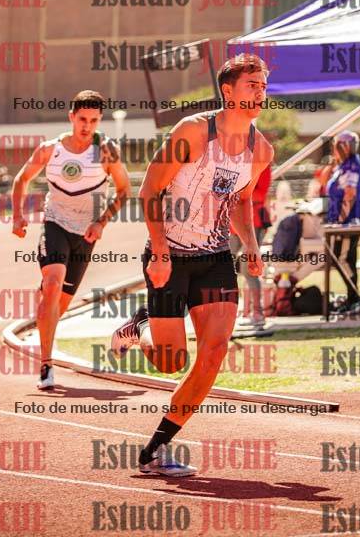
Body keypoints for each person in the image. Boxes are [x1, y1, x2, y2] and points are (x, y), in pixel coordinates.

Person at [108, 54, 273, 477]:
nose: (260, 92)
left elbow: (240, 200)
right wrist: (159, 250)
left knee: (214, 352)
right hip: (171, 255)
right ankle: (141, 324)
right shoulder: (194, 131)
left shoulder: (261, 149)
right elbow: (149, 189)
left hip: (215, 259)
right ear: (228, 91)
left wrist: (251, 245)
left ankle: (156, 449)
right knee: (170, 361)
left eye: (263, 85)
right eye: (252, 84)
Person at [12, 90, 130, 390]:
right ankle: (46, 365)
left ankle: (45, 307)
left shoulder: (107, 151)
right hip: (55, 224)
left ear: (99, 120)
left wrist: (101, 222)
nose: (87, 126)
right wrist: (17, 216)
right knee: (53, 284)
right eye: (82, 119)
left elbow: (124, 190)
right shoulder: (50, 150)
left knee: (59, 306)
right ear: (71, 117)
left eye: (93, 120)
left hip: (86, 233)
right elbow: (21, 179)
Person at [324, 132, 360, 306]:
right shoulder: (343, 166)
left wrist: (340, 221)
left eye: (337, 145)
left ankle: (355, 297)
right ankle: (353, 296)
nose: (334, 149)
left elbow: (350, 195)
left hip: (349, 222)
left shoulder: (351, 167)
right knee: (344, 258)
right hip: (345, 221)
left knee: (342, 258)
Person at [229, 163, 272, 328]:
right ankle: (236, 311)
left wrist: (238, 192)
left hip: (254, 223)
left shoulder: (262, 163)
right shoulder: (233, 161)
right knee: (227, 268)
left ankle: (258, 312)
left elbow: (260, 195)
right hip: (233, 224)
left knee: (248, 268)